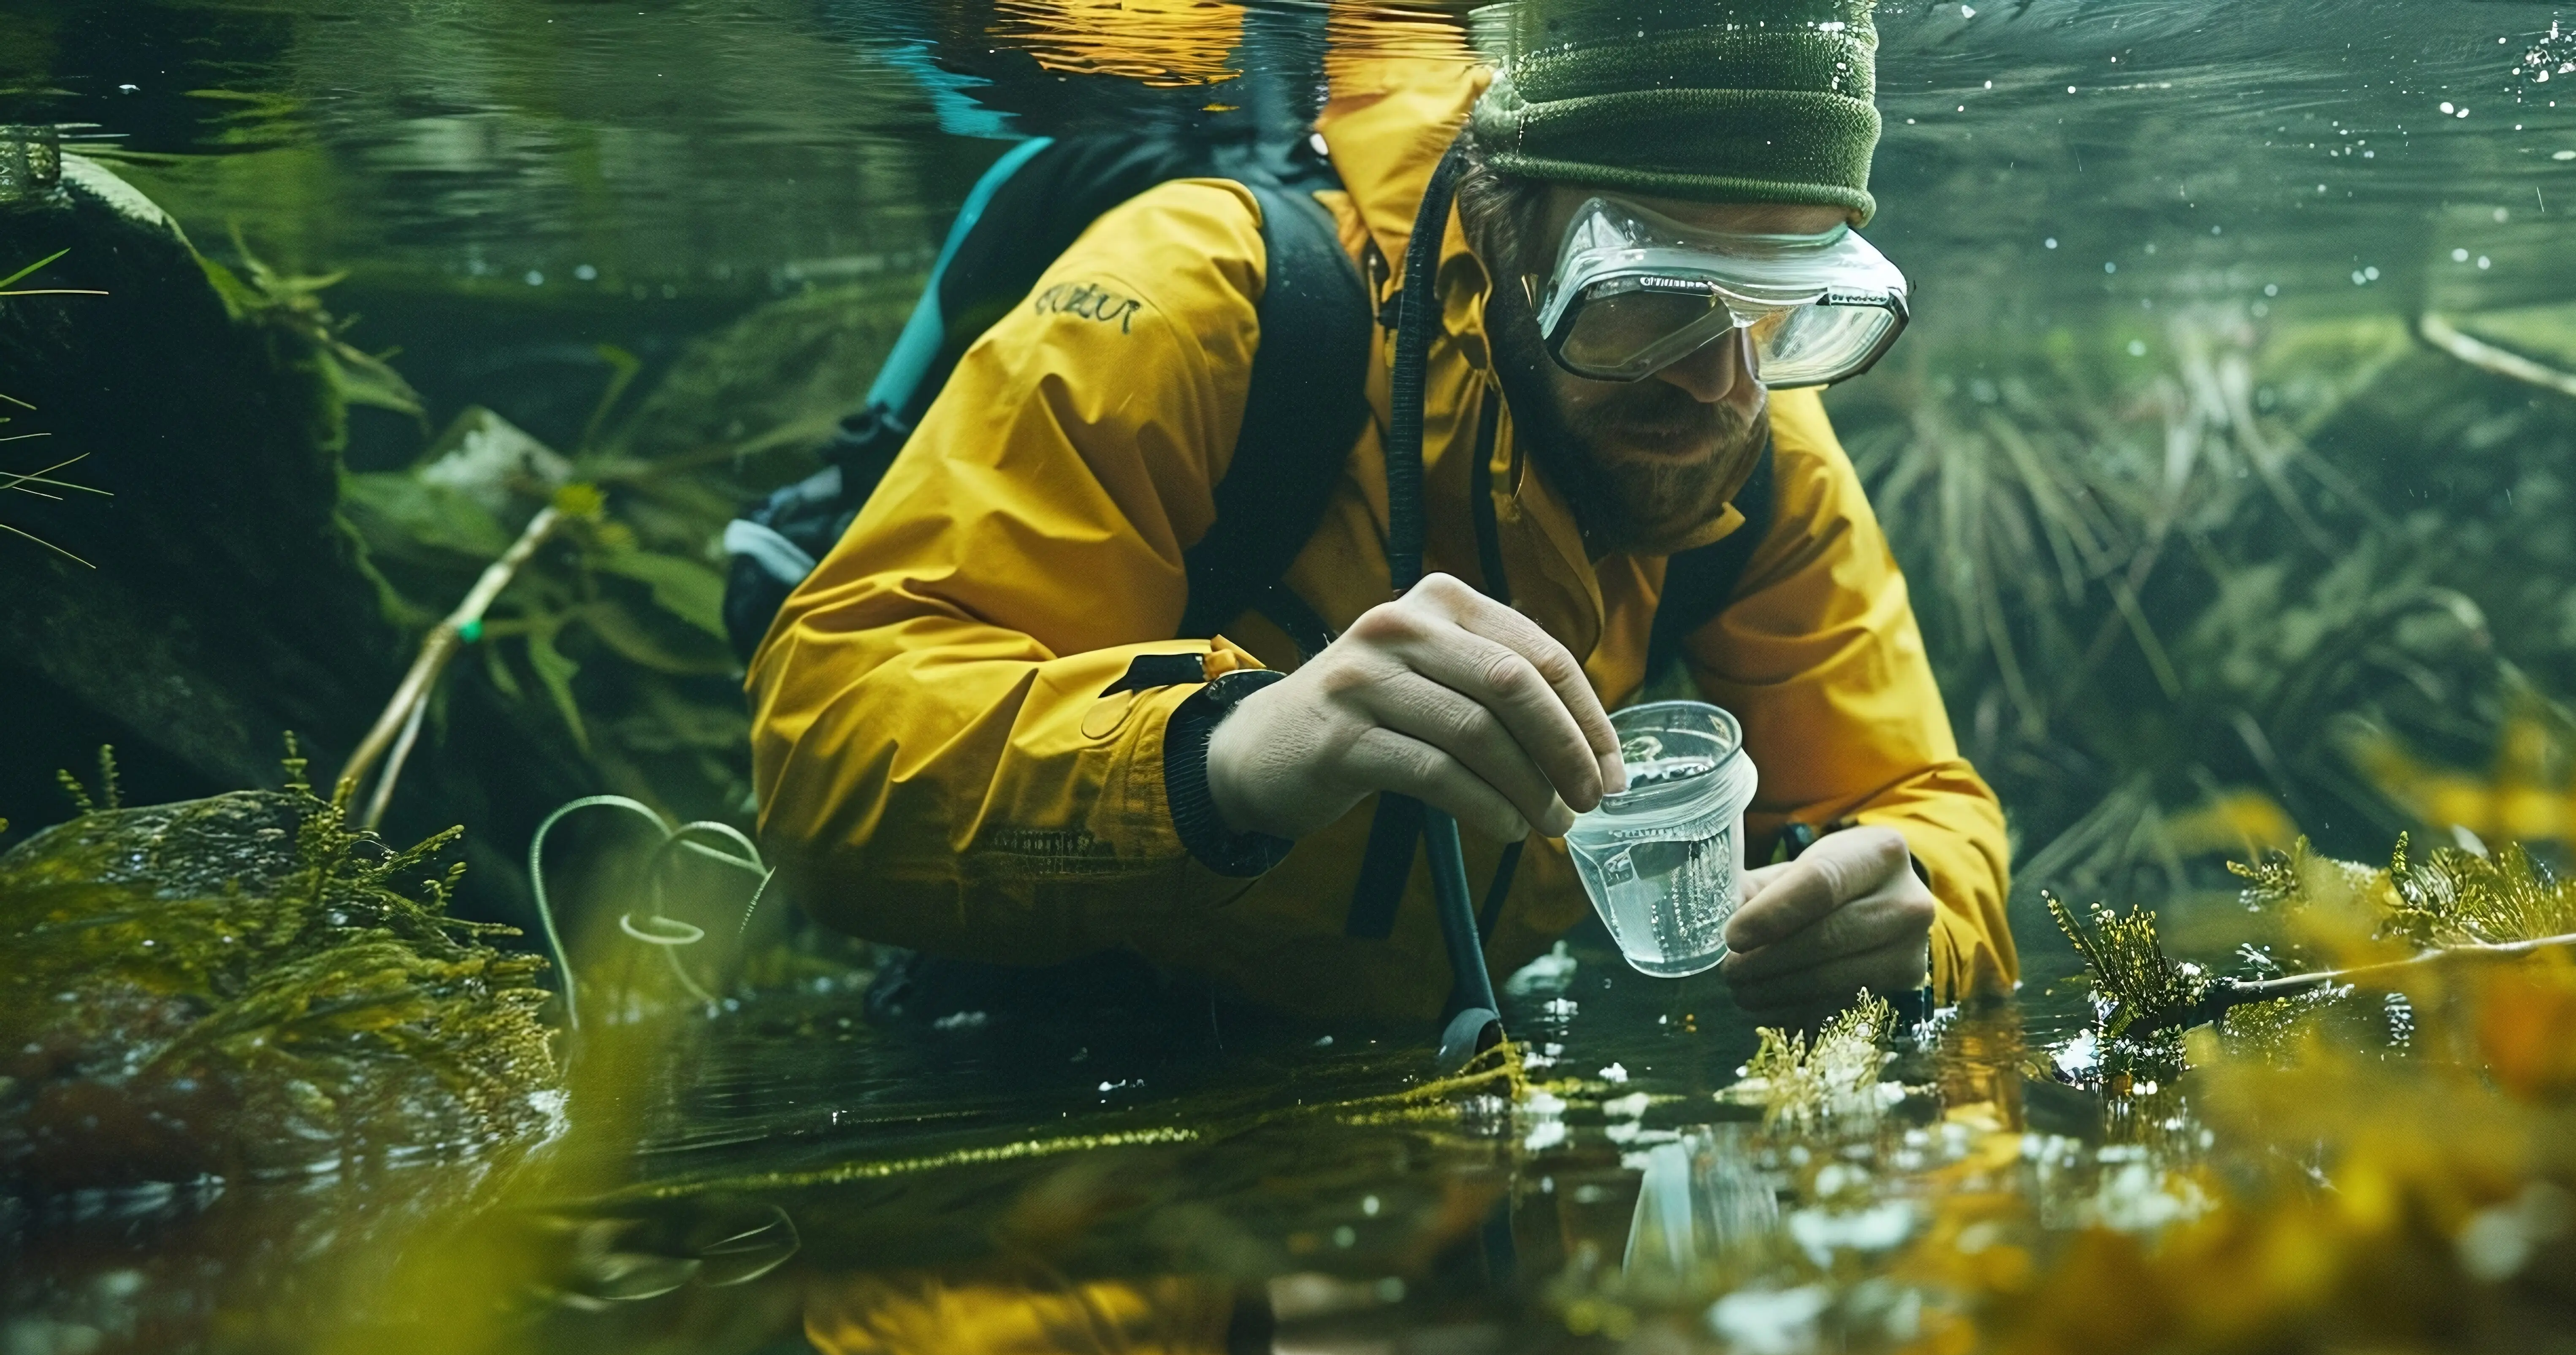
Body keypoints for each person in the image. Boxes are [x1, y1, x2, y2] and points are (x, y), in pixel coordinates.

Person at [746, 0, 2016, 1026]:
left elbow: (1916, 799)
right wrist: (1232, 752)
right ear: (1506, 220)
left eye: (1786, 302)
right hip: (1041, 1058)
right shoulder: (1209, 307)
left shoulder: (1763, 442)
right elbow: (825, 757)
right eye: (1650, 291)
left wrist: (1916, 918)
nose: (1724, 381)